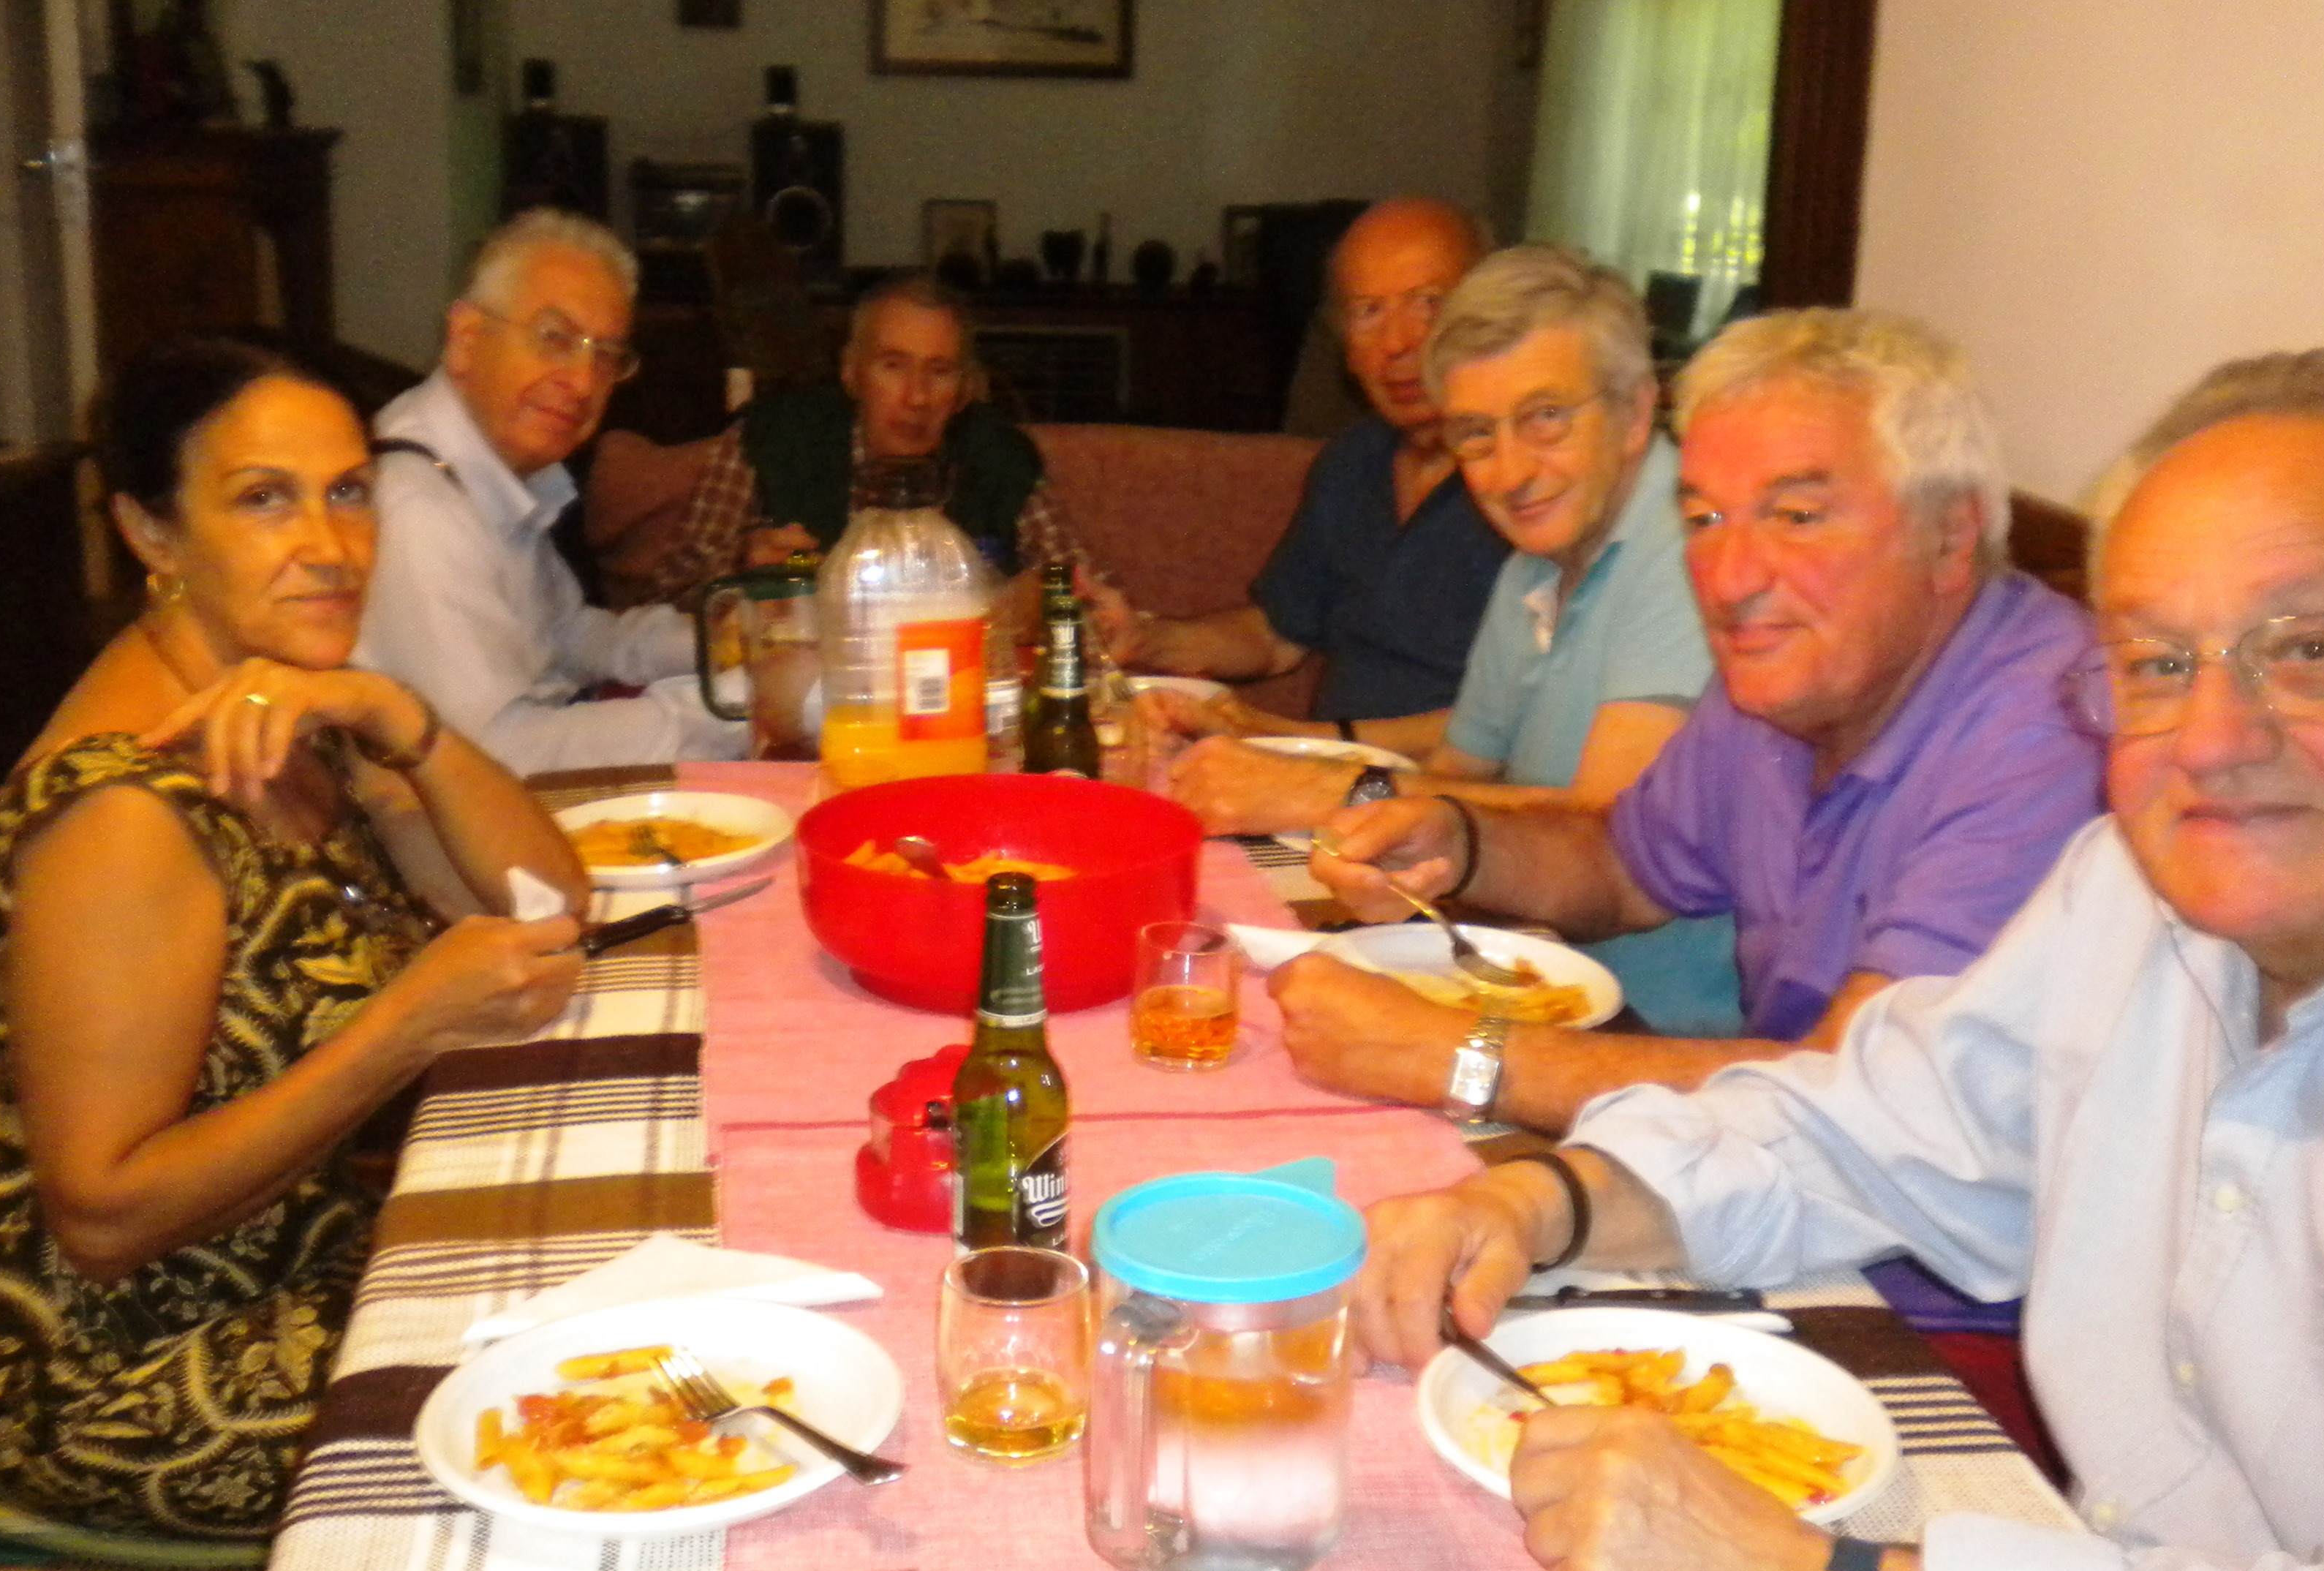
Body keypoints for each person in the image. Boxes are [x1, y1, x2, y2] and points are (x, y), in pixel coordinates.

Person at [1350, 348, 2324, 1571]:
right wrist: (1541, 1201)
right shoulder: (2133, 895)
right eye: (2156, 663)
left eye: (2310, 648)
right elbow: (1872, 1125)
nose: (2214, 738)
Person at [1275, 308, 2100, 1355]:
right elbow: (1624, 868)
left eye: (1797, 516)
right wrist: (1459, 842)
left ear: (1951, 535)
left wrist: (1459, 1056)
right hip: (1748, 1206)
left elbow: (1852, 1109)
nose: (1732, 577)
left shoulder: (2050, 729)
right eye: (1705, 519)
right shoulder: (1793, 680)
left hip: (1940, 1319)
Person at [0, 339, 587, 1537]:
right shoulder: (123, 810)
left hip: (298, 1256)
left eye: (349, 491)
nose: (330, 545)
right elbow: (102, 1219)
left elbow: (547, 896)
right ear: (152, 534)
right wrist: (405, 1027)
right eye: (265, 499)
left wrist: (400, 718)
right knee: (582, 1413)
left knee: (605, 1280)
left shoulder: (280, 699)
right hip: (111, 1365)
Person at [1163, 244, 1739, 1033]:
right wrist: (1385, 842)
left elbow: (1604, 830)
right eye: (1476, 435)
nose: (1510, 473)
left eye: (1546, 418)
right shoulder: (1534, 566)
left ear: (1636, 412)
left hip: (1648, 1028)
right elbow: (1458, 776)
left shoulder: (1692, 551)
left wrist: (1322, 791)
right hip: (1518, 972)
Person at [1095, 197, 1511, 739]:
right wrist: (1148, 640)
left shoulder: (1528, 484)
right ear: (1344, 346)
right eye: (1369, 312)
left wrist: (1301, 745)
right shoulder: (1354, 462)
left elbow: (1519, 725)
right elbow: (1276, 638)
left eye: (1428, 303)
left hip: (1445, 782)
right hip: (1338, 767)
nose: (1396, 343)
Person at [355, 208, 747, 775]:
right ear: (465, 338)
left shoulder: (488, 469)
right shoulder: (418, 509)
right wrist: (739, 709)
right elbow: (500, 756)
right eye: (555, 339)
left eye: (606, 355)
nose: (584, 382)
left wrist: (739, 642)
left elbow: (567, 634)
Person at [641, 273, 1101, 600]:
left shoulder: (1000, 458)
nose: (917, 398)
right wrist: (741, 564)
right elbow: (669, 589)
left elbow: (1083, 588)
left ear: (964, 389)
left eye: (939, 372)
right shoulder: (772, 436)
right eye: (893, 366)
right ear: (851, 372)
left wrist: (1058, 599)